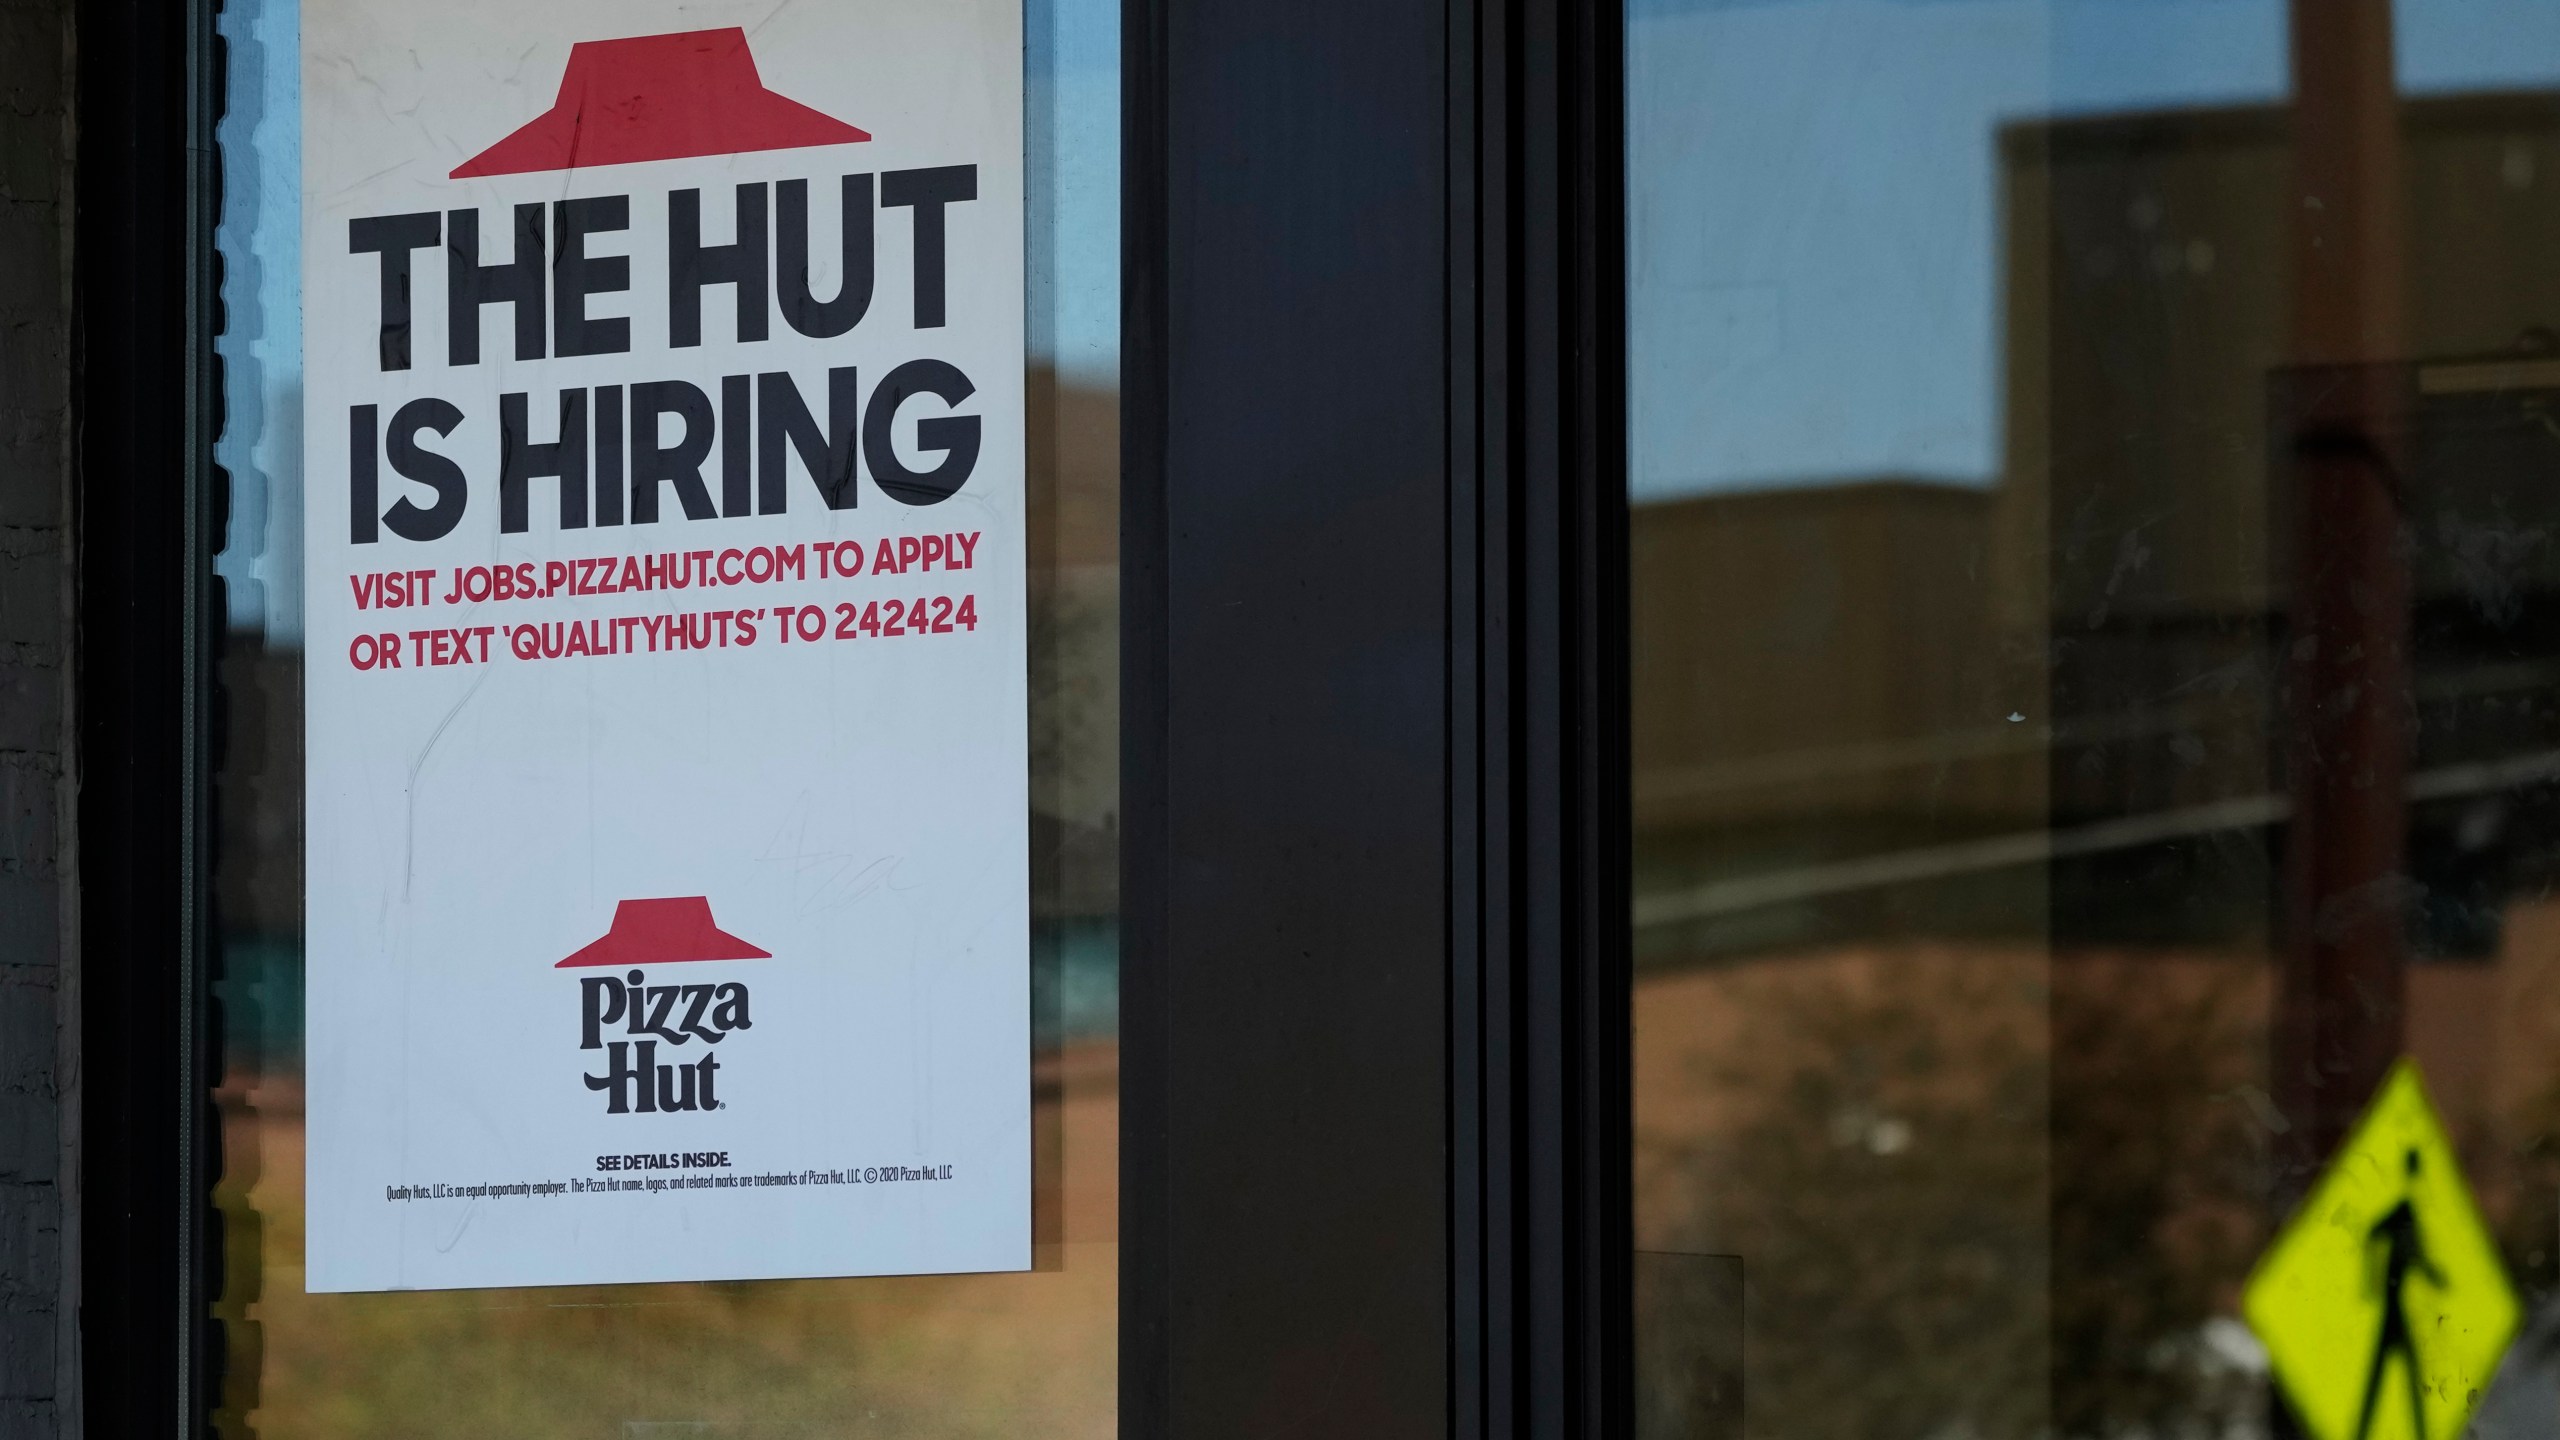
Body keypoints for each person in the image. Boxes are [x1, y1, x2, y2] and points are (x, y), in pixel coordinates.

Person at [2356, 1149, 2447, 1440]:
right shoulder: (2403, 1210)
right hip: (2392, 1306)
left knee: (2401, 1378)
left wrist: (2436, 1278)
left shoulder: (2413, 1213)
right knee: (2389, 1378)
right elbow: (2371, 1234)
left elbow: (2417, 1257)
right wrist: (2369, 1281)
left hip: (2398, 1307)